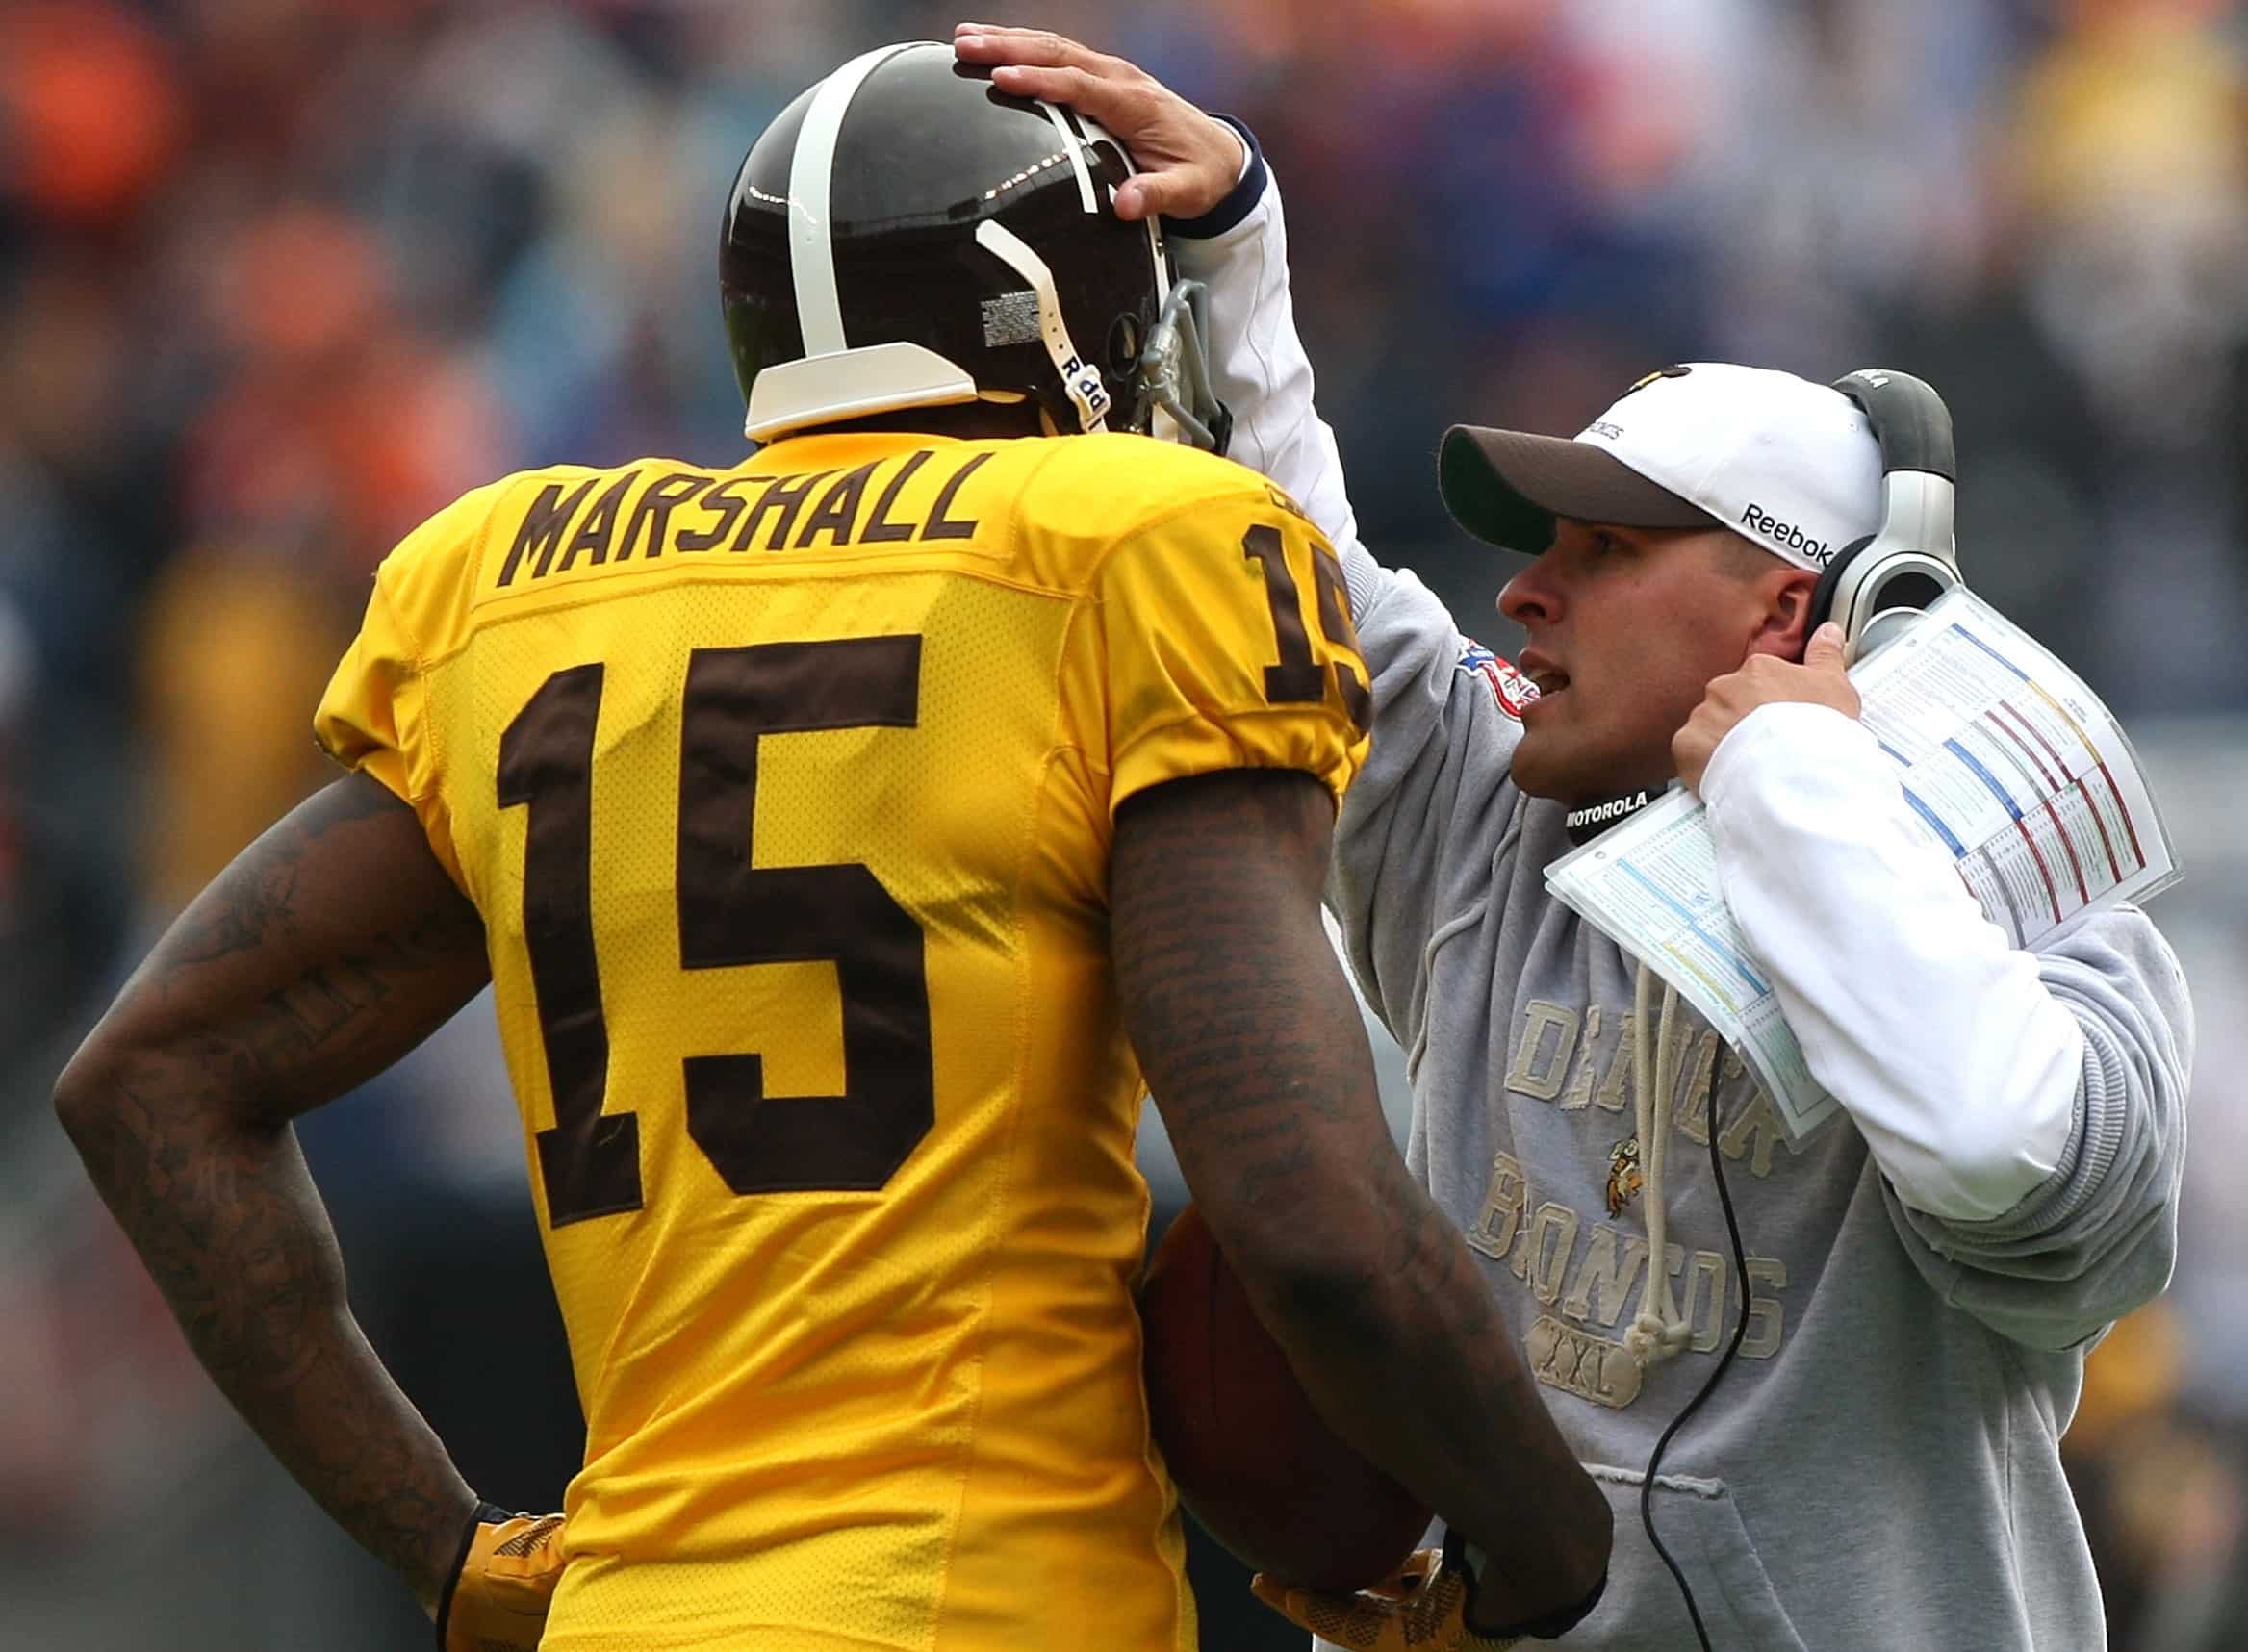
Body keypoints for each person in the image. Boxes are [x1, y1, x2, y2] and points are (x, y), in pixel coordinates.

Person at [51, 42, 1611, 1652]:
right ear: (1048, 312)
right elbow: (1309, 1214)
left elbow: (148, 1080)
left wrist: (449, 1553)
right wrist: (1556, 1563)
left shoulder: (520, 588)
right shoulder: (1130, 550)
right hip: (981, 1598)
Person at [953, 22, 2195, 1651]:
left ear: (1797, 606)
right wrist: (1238, 239)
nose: (1525, 592)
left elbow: (1992, 1149)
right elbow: (1286, 558)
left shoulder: (2055, 933)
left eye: (1606, 549)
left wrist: (1789, 782)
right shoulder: (1487, 816)